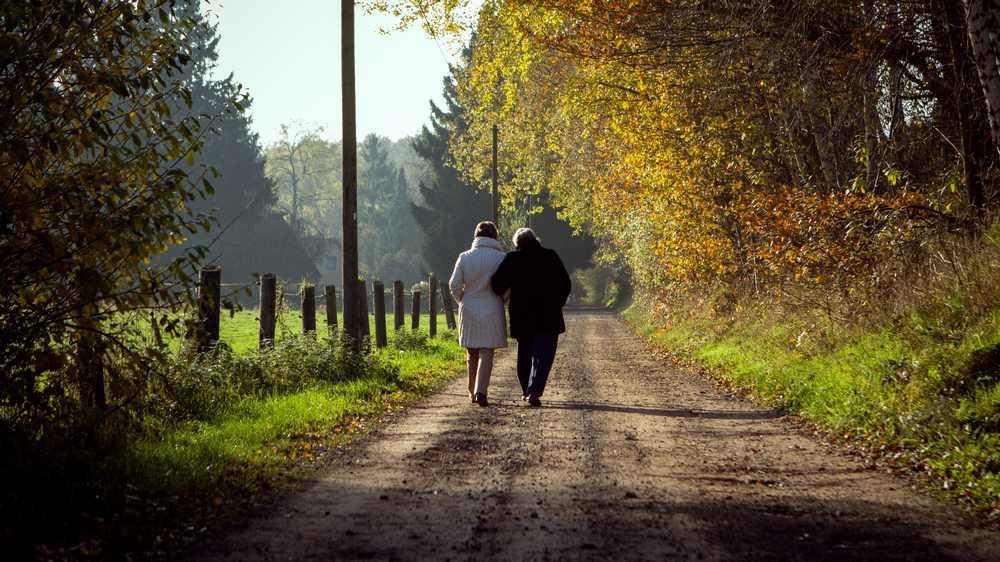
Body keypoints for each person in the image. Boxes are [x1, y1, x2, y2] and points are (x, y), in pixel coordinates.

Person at [490, 227, 571, 407]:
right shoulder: (550, 256)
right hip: (549, 315)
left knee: (525, 355)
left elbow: (496, 285)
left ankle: (527, 391)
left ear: (517, 243)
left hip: (522, 316)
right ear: (536, 239)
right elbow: (565, 283)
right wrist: (558, 302)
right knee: (544, 356)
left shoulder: (512, 259)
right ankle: (534, 390)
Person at [448, 221, 507, 407]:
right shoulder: (502, 258)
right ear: (494, 236)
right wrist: (502, 299)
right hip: (492, 307)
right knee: (487, 351)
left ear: (476, 236)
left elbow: (454, 285)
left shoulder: (464, 257)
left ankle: (471, 390)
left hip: (470, 307)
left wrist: (462, 300)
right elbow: (508, 285)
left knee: (471, 351)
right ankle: (481, 391)